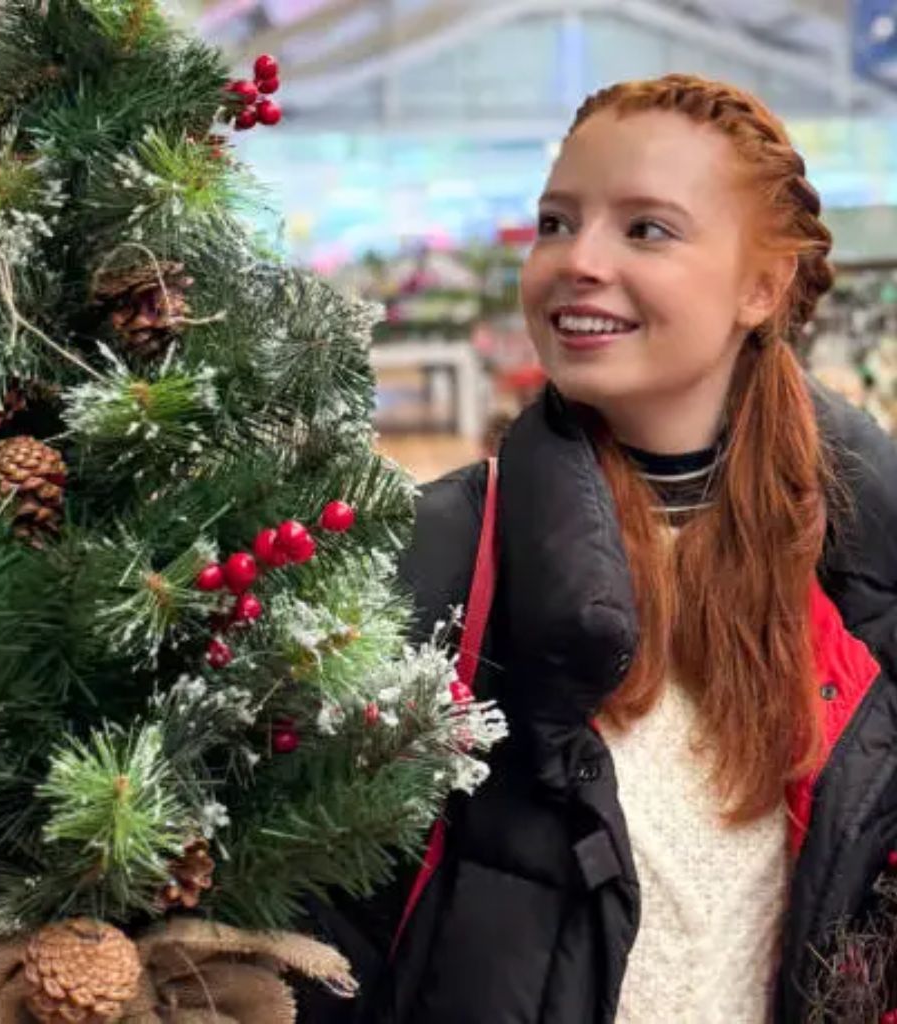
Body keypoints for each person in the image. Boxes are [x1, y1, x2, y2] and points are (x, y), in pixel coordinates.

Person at [301, 73, 897, 1024]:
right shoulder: (431, 560)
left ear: (762, 284)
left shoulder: (859, 574)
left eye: (645, 228)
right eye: (554, 222)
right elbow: (319, 949)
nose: (578, 260)